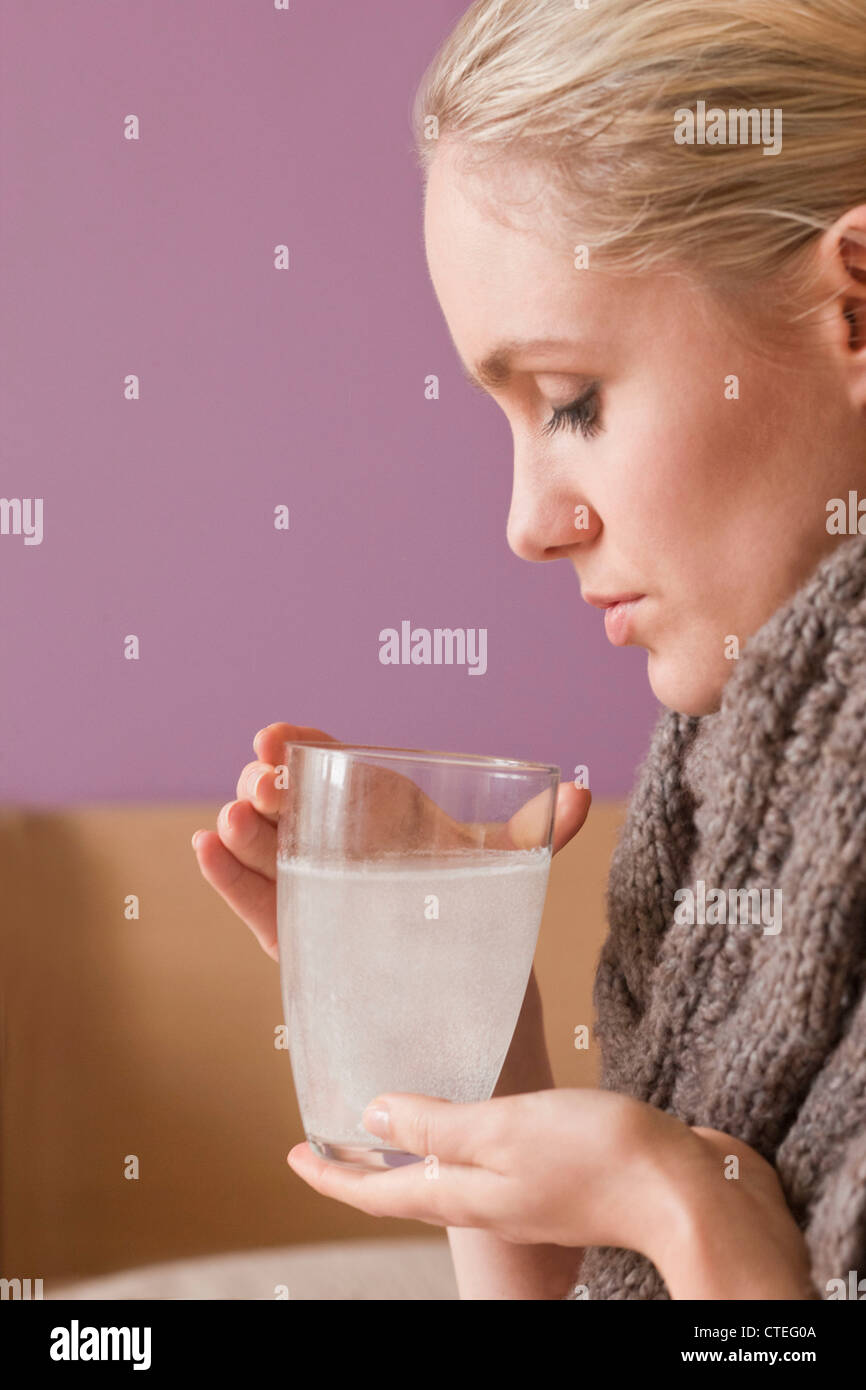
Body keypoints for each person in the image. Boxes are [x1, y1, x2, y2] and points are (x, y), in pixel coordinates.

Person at [191, 0, 866, 1299]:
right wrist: (457, 1023)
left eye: (572, 403)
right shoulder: (736, 802)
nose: (524, 527)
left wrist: (684, 1204)